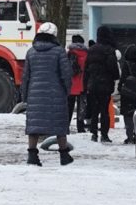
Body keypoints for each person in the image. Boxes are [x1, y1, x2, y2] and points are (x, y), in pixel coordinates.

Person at [21, 22, 73, 166]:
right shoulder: (59, 51)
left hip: (34, 95)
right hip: (55, 94)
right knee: (59, 126)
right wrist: (66, 90)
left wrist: (25, 95)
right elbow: (66, 74)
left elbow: (25, 76)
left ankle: (32, 156)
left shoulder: (31, 52)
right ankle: (64, 155)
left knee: (34, 127)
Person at [84, 25, 119, 143]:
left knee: (94, 109)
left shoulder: (92, 50)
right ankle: (104, 134)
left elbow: (86, 68)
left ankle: (94, 133)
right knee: (104, 110)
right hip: (105, 84)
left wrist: (86, 84)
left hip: (93, 84)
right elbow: (113, 68)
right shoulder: (109, 50)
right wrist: (114, 77)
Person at [119, 45, 136, 144]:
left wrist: (120, 89)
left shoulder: (126, 65)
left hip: (127, 94)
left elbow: (122, 79)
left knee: (127, 116)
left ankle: (129, 135)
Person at [67, 34, 89, 133]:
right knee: (82, 107)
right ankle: (80, 127)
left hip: (70, 84)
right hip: (82, 83)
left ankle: (66, 125)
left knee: (69, 106)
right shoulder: (87, 54)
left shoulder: (68, 54)